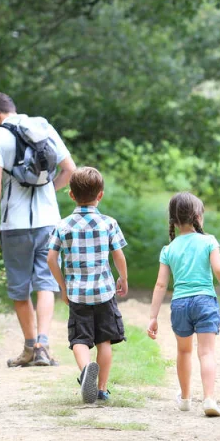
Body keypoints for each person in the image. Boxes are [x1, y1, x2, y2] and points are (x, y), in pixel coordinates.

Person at [0, 92, 76, 367]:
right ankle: (43, 346)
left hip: (15, 224)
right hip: (49, 221)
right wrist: (48, 190)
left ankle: (28, 348)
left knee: (20, 288)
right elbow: (70, 169)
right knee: (46, 283)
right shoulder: (43, 127)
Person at [147, 192, 220, 417]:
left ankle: (186, 399)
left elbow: (161, 285)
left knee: (184, 352)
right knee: (206, 352)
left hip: (179, 304)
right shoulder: (208, 241)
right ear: (198, 216)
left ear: (173, 221)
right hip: (205, 301)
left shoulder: (169, 249)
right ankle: (209, 398)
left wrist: (153, 316)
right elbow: (219, 270)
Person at [47, 167, 128, 404]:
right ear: (100, 195)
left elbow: (51, 259)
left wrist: (63, 287)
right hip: (104, 292)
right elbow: (119, 256)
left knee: (80, 340)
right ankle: (101, 388)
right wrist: (122, 278)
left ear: (71, 195)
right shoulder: (108, 223)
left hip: (77, 294)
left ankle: (85, 373)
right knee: (104, 341)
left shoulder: (63, 226)